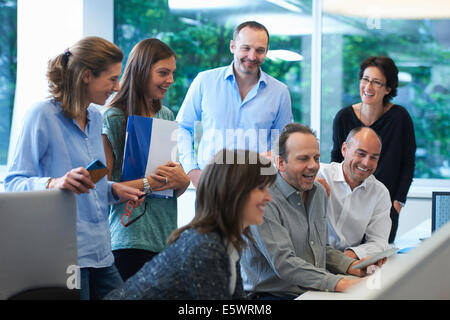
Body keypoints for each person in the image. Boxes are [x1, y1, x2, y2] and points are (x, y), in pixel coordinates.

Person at [5, 36, 145, 300]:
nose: (116, 88)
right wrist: (53, 183)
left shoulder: (96, 117)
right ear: (86, 76)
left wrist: (116, 190)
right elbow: (13, 183)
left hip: (101, 252)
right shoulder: (41, 115)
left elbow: (91, 183)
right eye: (112, 79)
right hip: (66, 255)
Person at [104, 149, 276, 300]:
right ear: (234, 191)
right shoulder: (206, 248)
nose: (269, 197)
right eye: (261, 188)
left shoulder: (226, 241)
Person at [240, 123, 381, 299]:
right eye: (303, 158)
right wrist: (342, 282)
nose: (314, 165)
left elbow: (319, 248)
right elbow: (284, 264)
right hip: (271, 295)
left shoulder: (319, 192)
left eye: (316, 157)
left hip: (311, 289)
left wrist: (353, 266)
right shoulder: (263, 199)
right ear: (281, 163)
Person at [102, 38, 190, 281]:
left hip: (164, 238)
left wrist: (181, 181)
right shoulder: (112, 119)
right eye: (163, 73)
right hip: (129, 239)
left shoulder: (166, 115)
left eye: (172, 73)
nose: (170, 80)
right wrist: (151, 183)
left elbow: (169, 188)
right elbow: (102, 192)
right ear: (141, 71)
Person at [176, 20, 293, 188]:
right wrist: (191, 170)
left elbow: (285, 142)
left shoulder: (279, 92)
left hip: (259, 186)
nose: (252, 56)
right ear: (233, 46)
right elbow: (181, 127)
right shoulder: (205, 81)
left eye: (260, 50)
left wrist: (274, 155)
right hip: (212, 185)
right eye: (246, 48)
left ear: (266, 52)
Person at [331, 56, 416, 243]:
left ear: (388, 88)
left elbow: (408, 163)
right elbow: (337, 160)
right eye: (365, 79)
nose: (368, 87)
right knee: (344, 257)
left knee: (377, 257)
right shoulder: (344, 117)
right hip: (347, 203)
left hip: (384, 207)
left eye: (376, 82)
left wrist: (397, 203)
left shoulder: (400, 117)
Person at [318, 127, 391, 259]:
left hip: (349, 263)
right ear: (344, 149)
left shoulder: (380, 193)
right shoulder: (319, 175)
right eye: (361, 154)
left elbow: (379, 241)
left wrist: (348, 257)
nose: (366, 163)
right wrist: (307, 184)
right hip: (311, 263)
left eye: (373, 158)